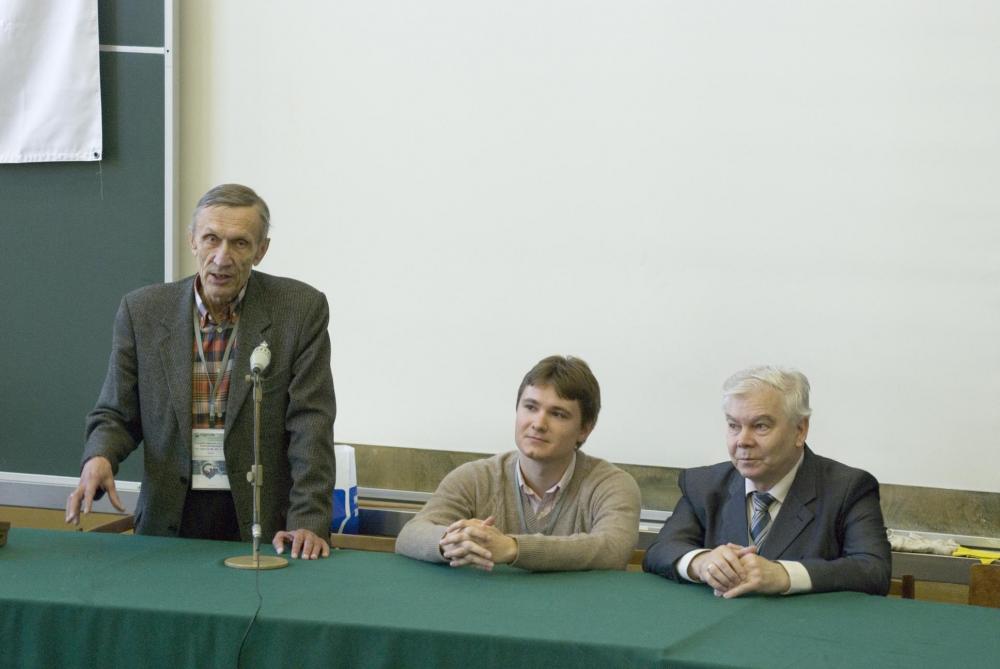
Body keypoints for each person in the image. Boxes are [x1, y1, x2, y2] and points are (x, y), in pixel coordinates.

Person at [65, 184, 336, 560]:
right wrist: (100, 457)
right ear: (192, 240)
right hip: (168, 523)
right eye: (211, 239)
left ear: (261, 250)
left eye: (239, 243)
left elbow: (311, 423)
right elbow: (115, 413)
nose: (222, 257)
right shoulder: (142, 312)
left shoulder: (299, 310)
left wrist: (308, 520)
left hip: (264, 523)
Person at [643, 366, 891, 597]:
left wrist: (784, 574)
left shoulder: (848, 488)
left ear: (800, 430)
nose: (743, 440)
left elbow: (874, 570)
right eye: (733, 426)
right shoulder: (703, 484)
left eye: (760, 426)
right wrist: (701, 562)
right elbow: (660, 551)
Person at [395, 355, 641, 571]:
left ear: (585, 429)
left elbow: (613, 549)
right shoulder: (475, 477)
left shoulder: (611, 485)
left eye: (557, 414)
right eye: (530, 407)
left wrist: (512, 548)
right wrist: (451, 540)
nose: (538, 423)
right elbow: (410, 534)